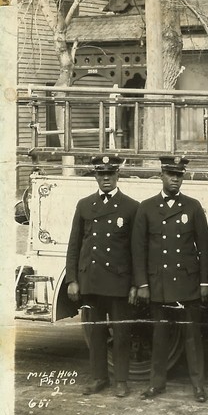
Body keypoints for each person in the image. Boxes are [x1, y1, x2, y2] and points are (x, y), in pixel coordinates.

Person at [132, 156, 208, 402]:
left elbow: (205, 246)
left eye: (179, 175)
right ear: (161, 176)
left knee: (192, 337)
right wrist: (143, 284)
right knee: (160, 335)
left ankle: (198, 386)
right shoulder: (146, 207)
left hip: (187, 283)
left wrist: (204, 282)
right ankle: (157, 384)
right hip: (160, 283)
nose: (175, 179)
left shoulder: (193, 206)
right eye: (170, 175)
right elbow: (139, 249)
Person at [65, 154, 139, 398]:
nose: (106, 179)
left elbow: (136, 250)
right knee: (95, 333)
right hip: (92, 281)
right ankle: (99, 378)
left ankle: (121, 380)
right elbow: (74, 245)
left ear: (118, 175)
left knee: (121, 334)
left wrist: (135, 285)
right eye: (101, 174)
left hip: (118, 282)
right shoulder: (84, 205)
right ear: (95, 176)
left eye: (110, 174)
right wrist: (72, 279)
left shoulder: (130, 206)